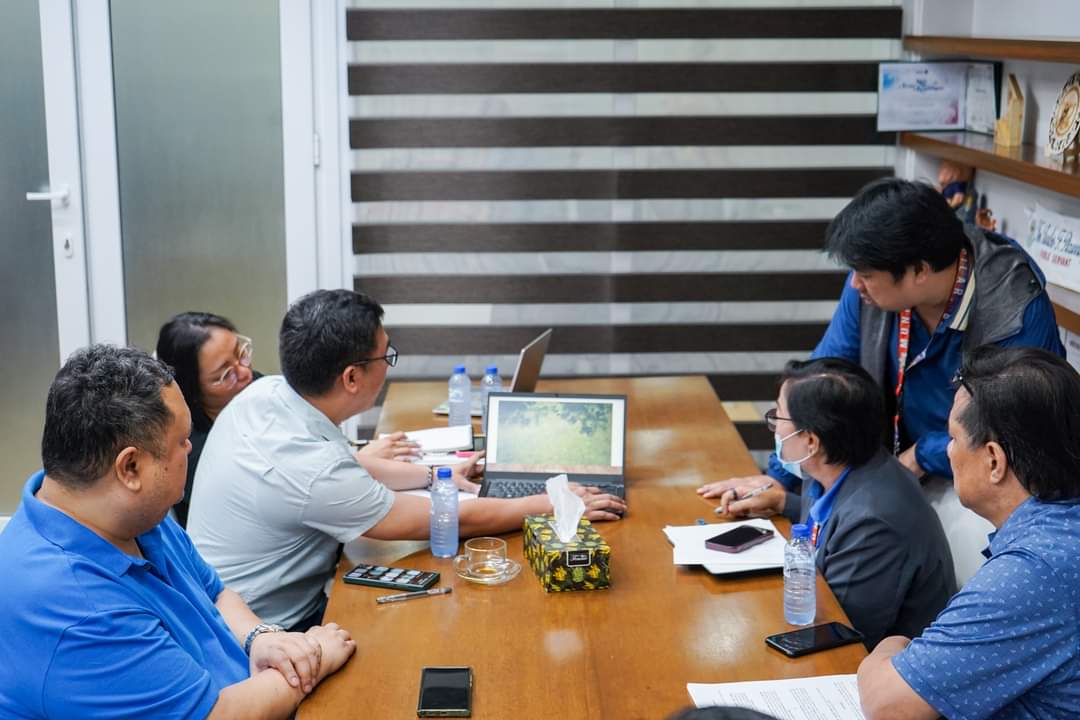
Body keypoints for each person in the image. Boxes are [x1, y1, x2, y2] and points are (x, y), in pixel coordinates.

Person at [187, 289, 626, 630]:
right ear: (352, 377)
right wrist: (551, 504)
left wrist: (436, 473)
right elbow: (443, 519)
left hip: (225, 611)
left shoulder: (268, 394)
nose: (389, 365)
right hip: (268, 633)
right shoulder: (310, 469)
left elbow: (347, 464)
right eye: (387, 356)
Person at [702, 178, 1064, 582]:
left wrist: (920, 456)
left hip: (979, 478)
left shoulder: (1014, 308)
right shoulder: (875, 282)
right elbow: (823, 380)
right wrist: (781, 474)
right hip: (893, 469)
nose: (855, 283)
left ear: (920, 270)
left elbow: (1011, 433)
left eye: (865, 274)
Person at [0, 345, 355, 718]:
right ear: (130, 467)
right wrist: (314, 659)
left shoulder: (121, 513)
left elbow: (215, 594)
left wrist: (260, 638)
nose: (190, 447)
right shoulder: (78, 607)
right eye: (181, 440)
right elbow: (214, 715)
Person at [857, 346, 1080, 719]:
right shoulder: (1060, 533)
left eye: (953, 438)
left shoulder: (1034, 571)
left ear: (994, 460)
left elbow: (888, 704)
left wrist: (893, 645)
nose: (948, 452)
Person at [711, 358, 955, 649]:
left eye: (779, 417)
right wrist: (782, 502)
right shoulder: (831, 467)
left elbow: (840, 631)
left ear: (811, 442)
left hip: (874, 661)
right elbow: (829, 522)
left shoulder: (873, 522)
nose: (774, 428)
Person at [156, 311, 418, 527]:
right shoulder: (190, 451)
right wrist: (357, 460)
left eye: (241, 352)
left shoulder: (255, 387)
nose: (245, 372)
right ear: (191, 391)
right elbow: (300, 478)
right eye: (224, 375)